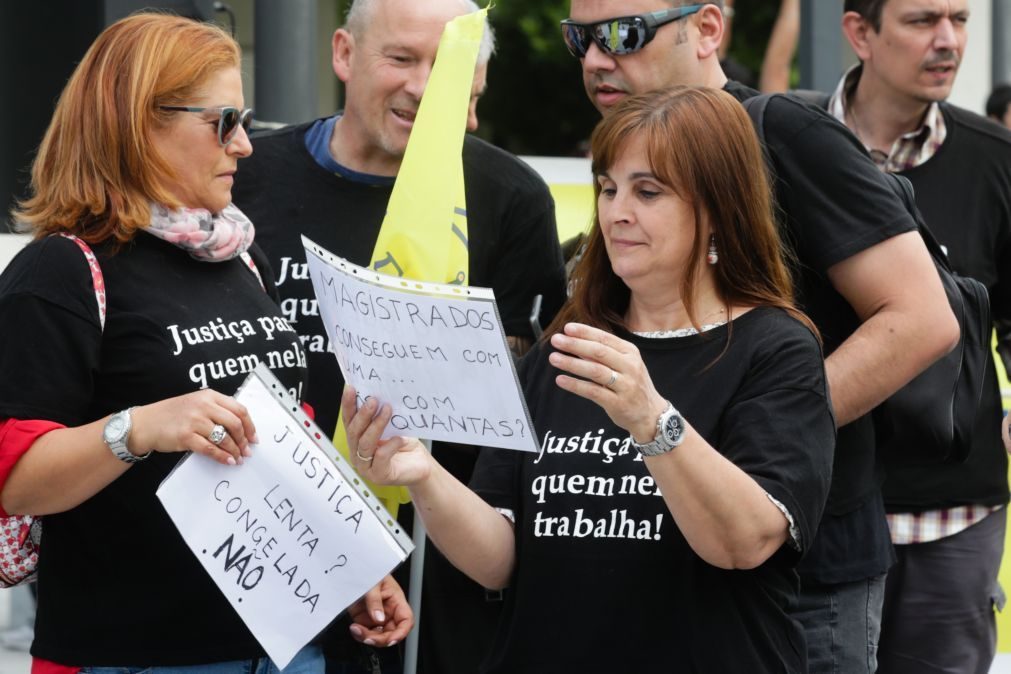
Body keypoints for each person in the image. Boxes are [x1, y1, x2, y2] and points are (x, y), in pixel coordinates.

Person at [343, 85, 836, 673]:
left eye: (648, 191)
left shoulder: (775, 347)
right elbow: (499, 557)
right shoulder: (566, 345)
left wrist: (652, 421)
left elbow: (744, 543)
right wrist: (423, 475)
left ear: (717, 210)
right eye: (608, 187)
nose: (616, 211)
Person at [0, 13, 406, 673]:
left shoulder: (238, 255)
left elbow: (280, 439)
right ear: (139, 125)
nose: (244, 144)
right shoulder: (62, 272)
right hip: (134, 656)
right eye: (223, 122)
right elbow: (17, 481)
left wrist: (349, 568)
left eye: (243, 119)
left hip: (284, 647)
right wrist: (138, 428)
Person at [560, 1, 958, 671]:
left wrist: (756, 441)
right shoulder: (624, 159)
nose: (598, 58)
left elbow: (921, 318)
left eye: (624, 34)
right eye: (580, 39)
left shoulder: (780, 134)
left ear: (708, 29)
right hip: (653, 565)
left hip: (803, 576)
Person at [231, 1, 567, 672]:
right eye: (402, 58)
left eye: (445, 69)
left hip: (435, 584)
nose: (421, 86)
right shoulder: (244, 175)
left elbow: (528, 410)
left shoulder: (510, 198)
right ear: (343, 55)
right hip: (255, 556)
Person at [826, 2, 1011, 671]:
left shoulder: (997, 161)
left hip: (953, 511)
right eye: (921, 20)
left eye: (959, 20)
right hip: (818, 501)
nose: (948, 41)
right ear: (858, 33)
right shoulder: (783, 145)